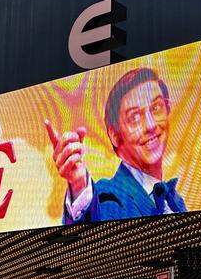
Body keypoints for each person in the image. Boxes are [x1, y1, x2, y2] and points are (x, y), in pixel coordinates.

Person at [46, 66, 187, 224]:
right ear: (114, 135)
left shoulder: (176, 201)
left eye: (156, 108)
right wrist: (79, 185)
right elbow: (90, 232)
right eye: (134, 117)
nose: (151, 125)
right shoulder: (107, 198)